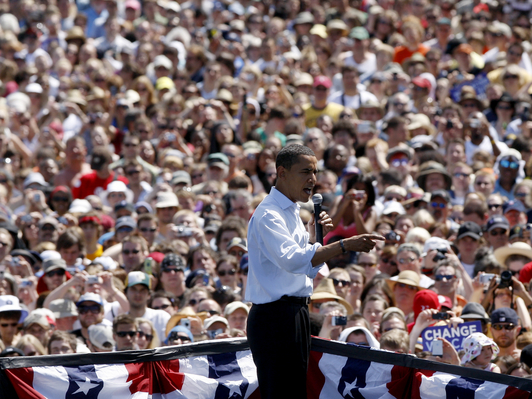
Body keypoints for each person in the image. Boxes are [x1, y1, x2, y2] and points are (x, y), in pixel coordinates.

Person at [246, 144, 383, 399]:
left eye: (315, 171)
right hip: (274, 319)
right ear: (282, 172)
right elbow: (292, 261)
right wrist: (343, 245)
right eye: (305, 171)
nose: (313, 179)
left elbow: (304, 271)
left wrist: (314, 239)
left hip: (293, 313)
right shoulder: (269, 214)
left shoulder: (292, 212)